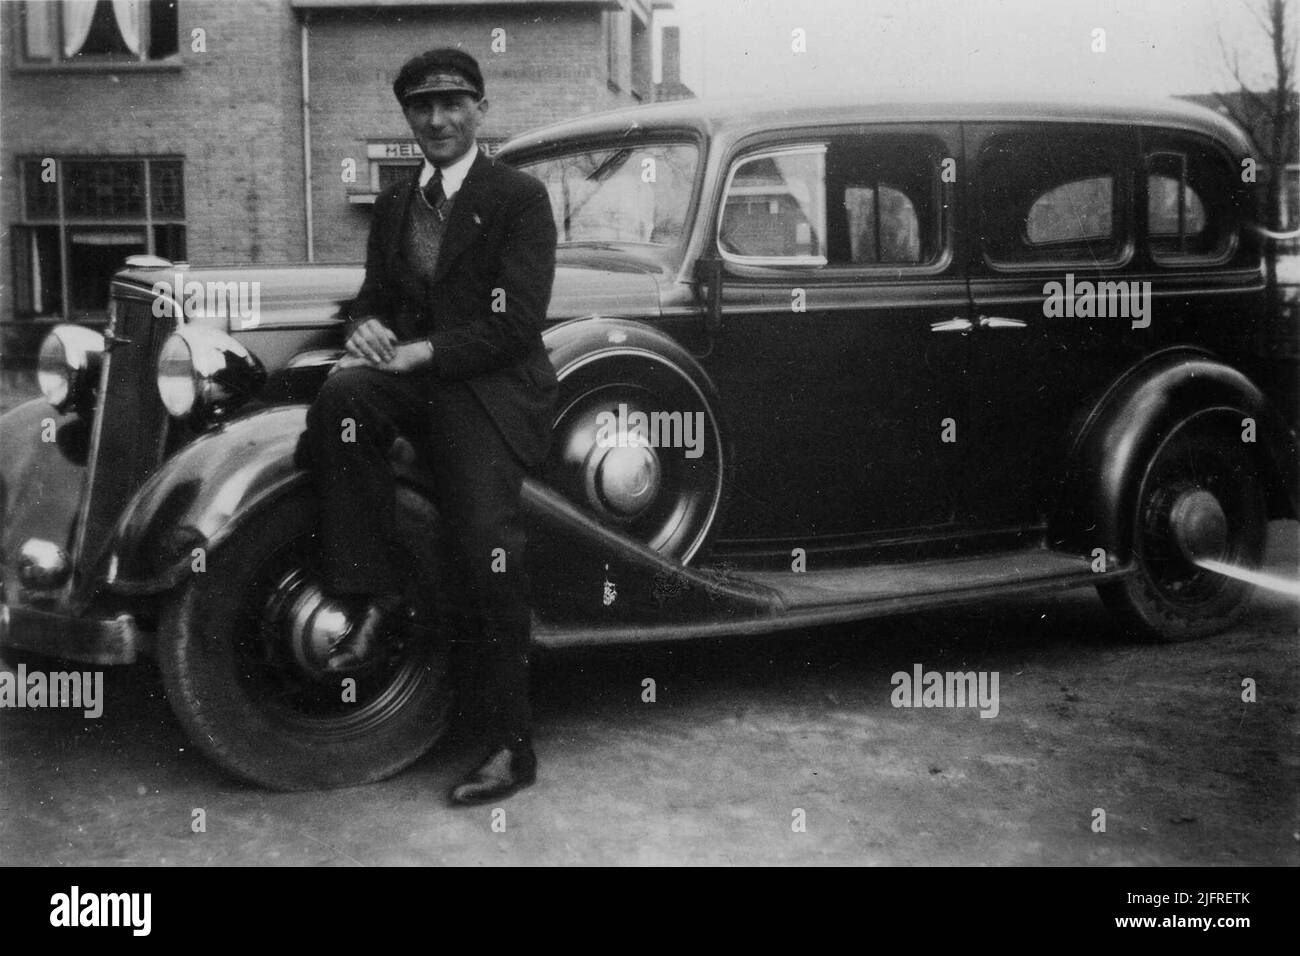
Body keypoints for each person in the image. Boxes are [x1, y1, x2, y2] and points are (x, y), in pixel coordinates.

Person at [301, 48, 558, 806]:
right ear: (407, 116)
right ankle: (373, 591)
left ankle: (511, 745)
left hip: (488, 391)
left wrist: (422, 351)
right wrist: (370, 331)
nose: (438, 119)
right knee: (342, 398)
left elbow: (516, 322)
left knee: (488, 549)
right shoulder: (394, 204)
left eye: (452, 103)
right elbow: (374, 295)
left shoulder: (519, 197)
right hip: (419, 383)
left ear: (480, 109)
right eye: (422, 106)